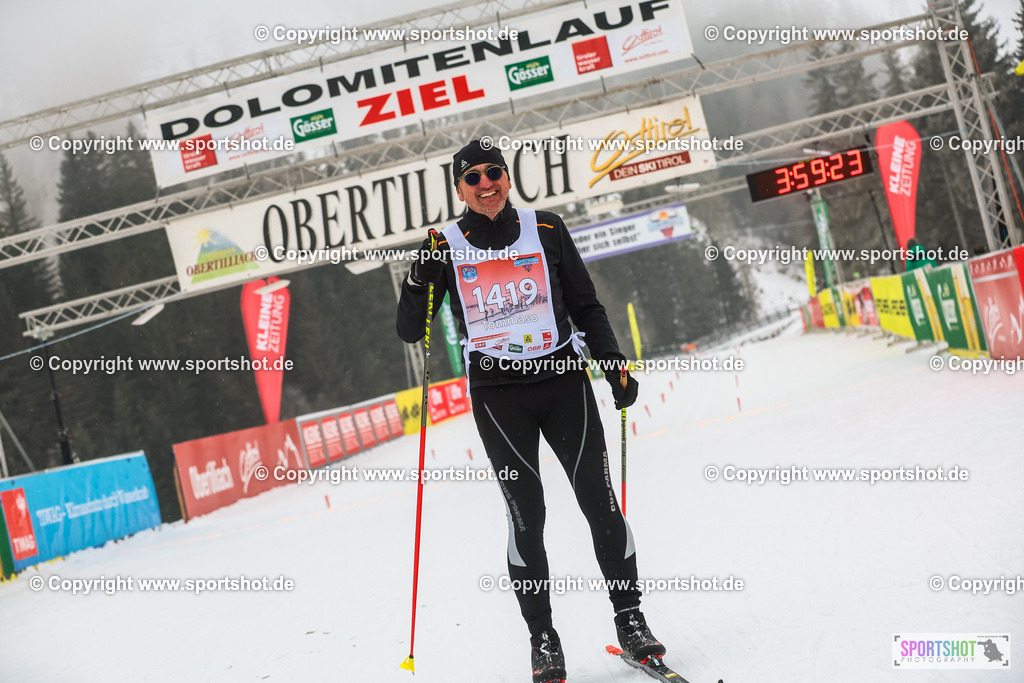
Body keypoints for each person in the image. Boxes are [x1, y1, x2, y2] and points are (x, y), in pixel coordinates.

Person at [396, 140, 665, 682]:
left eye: (494, 172)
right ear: (460, 190)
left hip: (564, 381)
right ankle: (543, 639)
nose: (486, 182)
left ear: (508, 178)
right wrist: (417, 278)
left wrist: (613, 364)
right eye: (473, 177)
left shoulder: (546, 229)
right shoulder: (443, 244)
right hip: (499, 397)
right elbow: (410, 331)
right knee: (527, 516)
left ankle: (631, 620)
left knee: (600, 499)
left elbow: (586, 304)